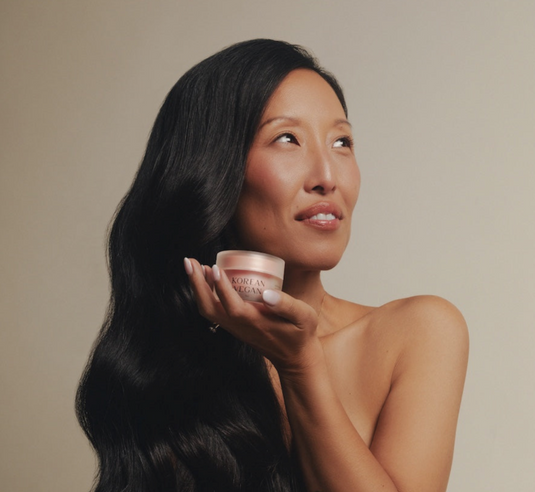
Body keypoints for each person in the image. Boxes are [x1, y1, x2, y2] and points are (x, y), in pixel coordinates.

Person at [76, 39, 469, 492]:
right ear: (215, 168)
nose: (327, 177)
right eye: (287, 139)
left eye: (341, 142)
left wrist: (300, 365)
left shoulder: (417, 332)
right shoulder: (162, 359)